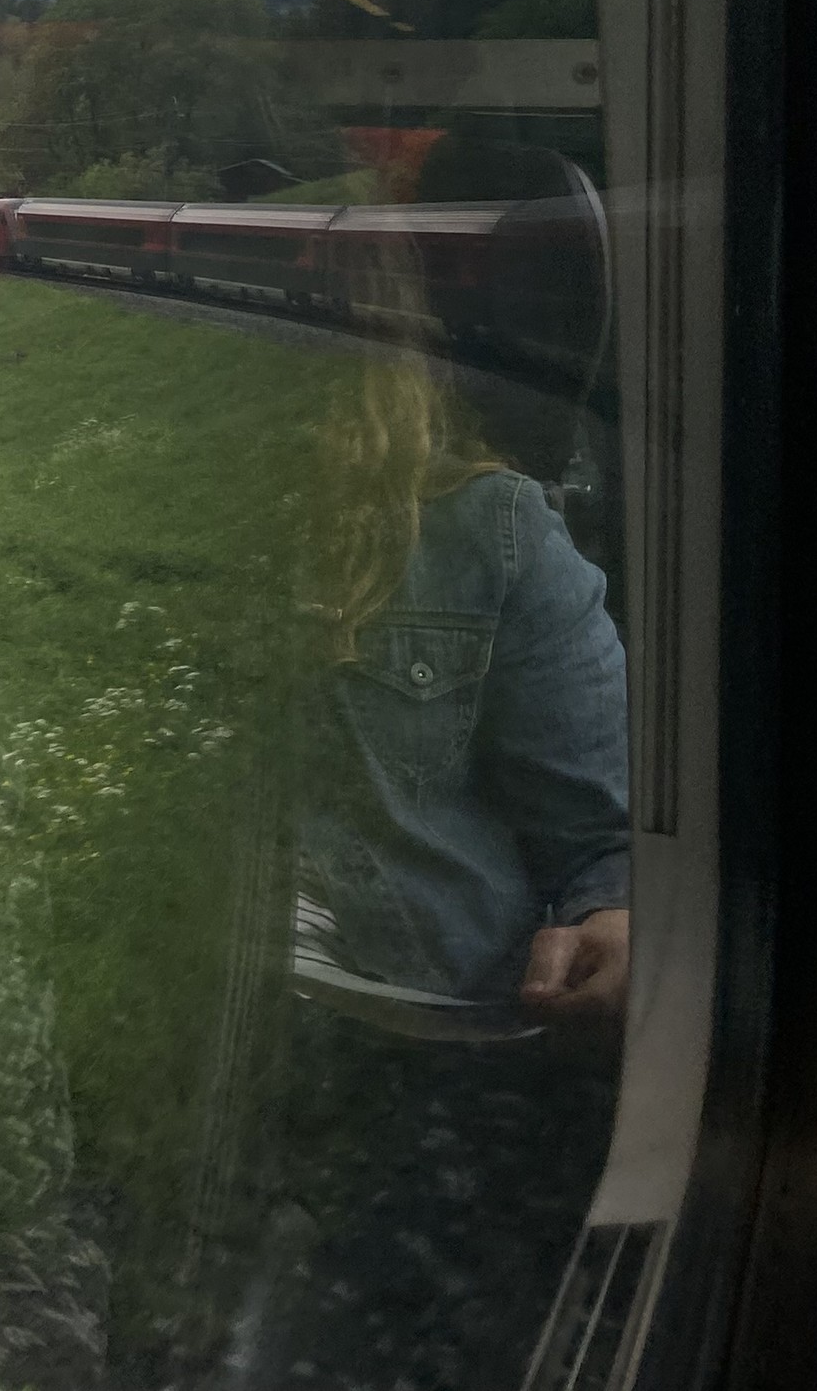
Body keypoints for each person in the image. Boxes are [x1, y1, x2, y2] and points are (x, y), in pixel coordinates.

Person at [226, 305, 631, 1386]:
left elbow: (597, 832)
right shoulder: (153, 513)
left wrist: (606, 917)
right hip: (212, 1030)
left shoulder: (490, 532)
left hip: (424, 1036)